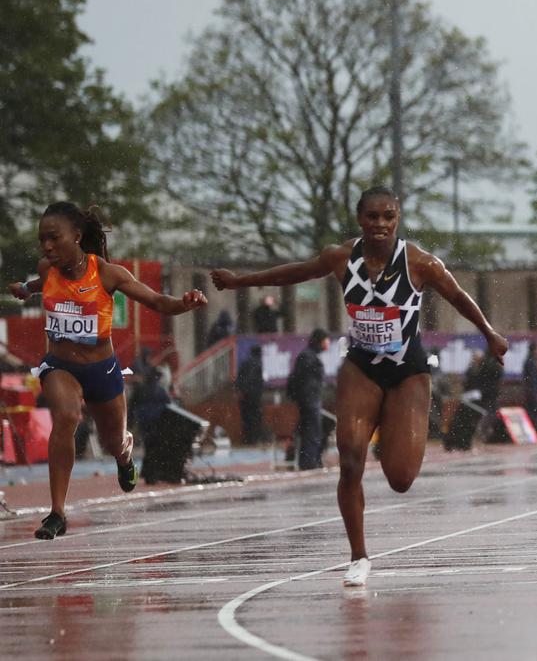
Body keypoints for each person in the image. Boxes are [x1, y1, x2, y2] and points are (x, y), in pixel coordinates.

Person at [210, 186, 506, 587]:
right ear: (359, 219)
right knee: (350, 459)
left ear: (397, 219)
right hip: (361, 366)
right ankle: (358, 557)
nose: (380, 224)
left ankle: (392, 426)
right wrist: (239, 282)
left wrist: (489, 334)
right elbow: (295, 272)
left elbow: (458, 295)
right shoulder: (340, 257)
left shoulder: (421, 263)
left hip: (407, 372)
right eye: (372, 217)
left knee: (400, 478)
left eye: (388, 216)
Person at [7, 202, 206, 540]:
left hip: (101, 369)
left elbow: (157, 302)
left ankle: (125, 456)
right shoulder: (48, 268)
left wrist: (183, 304)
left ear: (77, 236)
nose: (47, 247)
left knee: (113, 440)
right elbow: (42, 281)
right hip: (60, 365)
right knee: (67, 417)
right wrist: (26, 289)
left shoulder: (107, 274)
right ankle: (57, 512)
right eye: (42, 240)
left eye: (54, 238)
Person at [287, 329, 330, 469]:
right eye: (326, 339)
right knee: (312, 431)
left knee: (317, 429)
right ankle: (309, 462)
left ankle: (312, 459)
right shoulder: (307, 357)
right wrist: (306, 399)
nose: (328, 343)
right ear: (320, 340)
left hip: (311, 400)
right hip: (310, 401)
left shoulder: (310, 356)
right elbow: (301, 380)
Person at [236, 344, 267, 444]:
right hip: (254, 397)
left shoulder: (245, 363)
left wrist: (241, 390)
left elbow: (239, 379)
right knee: (255, 418)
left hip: (244, 396)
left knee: (246, 418)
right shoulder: (258, 363)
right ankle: (253, 439)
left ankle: (247, 439)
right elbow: (257, 381)